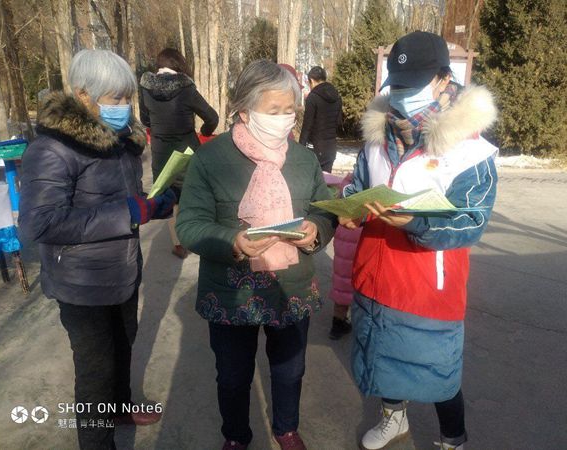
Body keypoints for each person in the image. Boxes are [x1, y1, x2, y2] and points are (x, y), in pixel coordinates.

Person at [339, 31, 498, 450]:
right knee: (383, 360)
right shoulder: (377, 138)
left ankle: (452, 439)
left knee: (438, 372)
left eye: (414, 85)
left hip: (428, 286)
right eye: (398, 85)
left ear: (444, 79)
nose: (402, 96)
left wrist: (415, 221)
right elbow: (357, 185)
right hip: (374, 276)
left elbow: (472, 221)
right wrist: (351, 207)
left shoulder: (469, 151)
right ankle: (394, 419)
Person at [18, 49, 175, 450]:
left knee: (124, 346)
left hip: (122, 272)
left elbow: (124, 200)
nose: (124, 106)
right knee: (95, 372)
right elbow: (40, 223)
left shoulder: (119, 143)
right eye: (114, 98)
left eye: (127, 97)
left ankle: (119, 408)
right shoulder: (51, 149)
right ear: (83, 94)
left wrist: (152, 204)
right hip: (81, 283)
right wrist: (126, 213)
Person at [176, 60, 337, 450]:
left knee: (290, 370)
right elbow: (190, 224)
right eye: (273, 110)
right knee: (233, 376)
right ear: (244, 110)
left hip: (290, 286)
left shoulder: (303, 159)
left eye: (290, 110)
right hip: (231, 291)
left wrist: (317, 228)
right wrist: (232, 241)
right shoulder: (211, 159)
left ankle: (286, 428)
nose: (284, 119)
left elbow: (324, 209)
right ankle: (235, 435)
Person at [140, 48, 218, 258]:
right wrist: (205, 132)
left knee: (170, 197)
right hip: (187, 151)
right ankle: (196, 234)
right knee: (193, 193)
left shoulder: (145, 88)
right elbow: (212, 117)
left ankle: (178, 243)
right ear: (179, 64)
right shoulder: (186, 88)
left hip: (160, 153)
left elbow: (145, 119)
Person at [324, 172, 362, 340]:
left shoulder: (347, 184)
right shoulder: (373, 186)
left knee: (342, 282)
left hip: (343, 239)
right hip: (362, 240)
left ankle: (337, 323)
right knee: (360, 283)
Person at [299, 66, 342, 172]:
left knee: (311, 179)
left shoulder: (313, 97)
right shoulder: (337, 96)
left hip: (315, 148)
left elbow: (307, 127)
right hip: (331, 148)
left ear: (312, 80)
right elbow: (338, 122)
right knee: (326, 180)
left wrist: (300, 148)